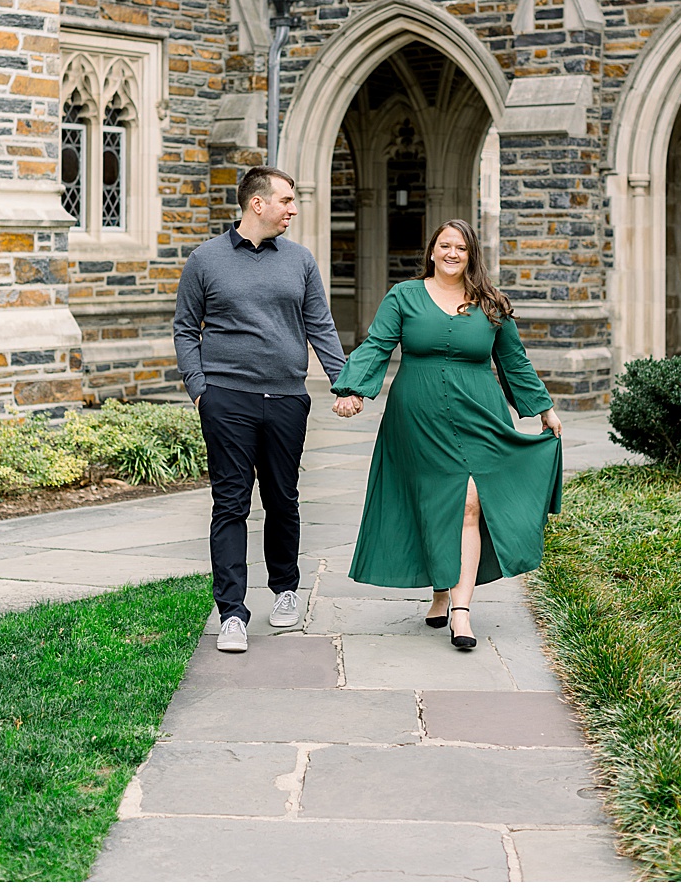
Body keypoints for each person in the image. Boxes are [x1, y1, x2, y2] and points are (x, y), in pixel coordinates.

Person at [331, 218, 563, 651]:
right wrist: (352, 389)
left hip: (479, 414)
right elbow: (378, 344)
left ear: (472, 254)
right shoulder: (404, 295)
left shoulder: (491, 304)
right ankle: (441, 591)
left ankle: (461, 609)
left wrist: (544, 409)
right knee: (435, 501)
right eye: (444, 245)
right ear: (432, 251)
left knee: (471, 501)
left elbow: (514, 361)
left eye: (461, 247)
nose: (452, 253)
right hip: (417, 417)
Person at [173, 166, 349, 654]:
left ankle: (285, 590)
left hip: (287, 398)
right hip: (227, 399)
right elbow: (186, 328)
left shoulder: (300, 260)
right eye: (286, 200)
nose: (293, 209)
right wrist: (199, 388)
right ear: (257, 203)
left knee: (282, 498)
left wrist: (344, 383)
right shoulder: (205, 259)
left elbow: (320, 325)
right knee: (230, 503)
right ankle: (232, 613)